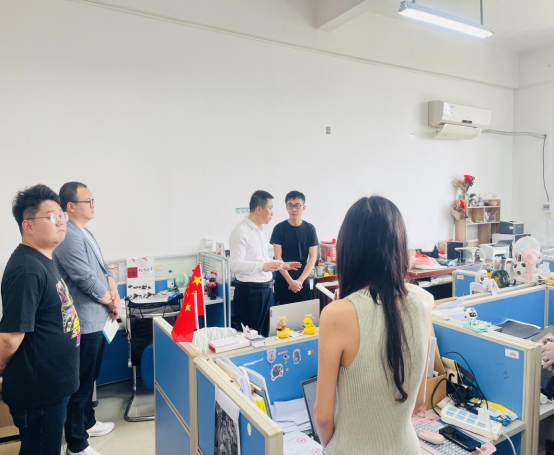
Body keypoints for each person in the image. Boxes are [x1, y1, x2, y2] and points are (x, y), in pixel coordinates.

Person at [313, 196, 430, 454]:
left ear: (348, 250)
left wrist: (336, 447)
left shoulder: (336, 314)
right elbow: (419, 399)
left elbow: (322, 416)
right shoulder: (420, 307)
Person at [0, 184, 80, 455]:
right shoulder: (27, 269)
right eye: (52, 216)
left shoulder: (43, 259)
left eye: (62, 215)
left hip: (51, 386)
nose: (61, 222)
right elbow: (9, 338)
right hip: (39, 392)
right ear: (28, 225)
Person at [53, 182, 119, 455]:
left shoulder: (85, 232)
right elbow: (85, 278)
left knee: (91, 376)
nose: (93, 206)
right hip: (84, 321)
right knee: (79, 384)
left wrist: (114, 294)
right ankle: (77, 443)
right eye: (88, 201)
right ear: (70, 206)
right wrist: (110, 300)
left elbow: (104, 269)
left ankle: (88, 423)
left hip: (98, 317)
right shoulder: (68, 235)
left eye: (93, 201)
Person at [229, 190, 301, 337]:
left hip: (266, 291)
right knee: (251, 339)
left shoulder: (260, 231)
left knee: (266, 337)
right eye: (270, 208)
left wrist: (282, 265)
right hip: (250, 294)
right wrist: (263, 266)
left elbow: (262, 259)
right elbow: (235, 265)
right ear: (259, 209)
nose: (272, 212)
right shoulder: (241, 232)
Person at [270, 191, 319, 305]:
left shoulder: (310, 229)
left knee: (303, 314)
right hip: (283, 280)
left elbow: (312, 258)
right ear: (286, 208)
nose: (294, 209)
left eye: (297, 205)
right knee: (282, 315)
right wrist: (290, 281)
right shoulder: (279, 229)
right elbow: (278, 257)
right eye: (290, 205)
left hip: (302, 281)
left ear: (303, 207)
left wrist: (300, 280)